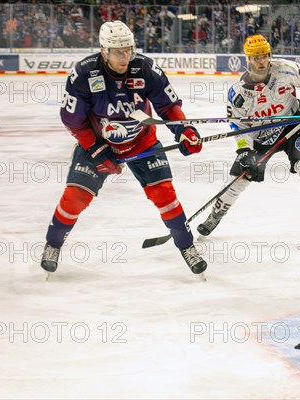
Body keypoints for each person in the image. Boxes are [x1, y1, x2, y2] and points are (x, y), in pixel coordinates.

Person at [40, 21, 207, 275]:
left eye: (128, 49)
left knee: (165, 195)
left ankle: (187, 246)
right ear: (103, 50)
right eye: (118, 51)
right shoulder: (84, 74)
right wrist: (96, 149)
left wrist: (184, 130)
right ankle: (53, 244)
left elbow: (168, 106)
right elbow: (72, 120)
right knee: (75, 197)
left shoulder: (146, 68)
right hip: (99, 142)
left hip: (142, 141)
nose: (125, 56)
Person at [196, 34, 300, 247]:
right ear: (248, 59)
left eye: (264, 56)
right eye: (256, 57)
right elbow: (238, 126)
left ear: (270, 55)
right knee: (239, 179)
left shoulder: (286, 70)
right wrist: (244, 151)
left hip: (293, 126)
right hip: (261, 137)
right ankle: (214, 216)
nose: (261, 61)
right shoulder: (238, 92)